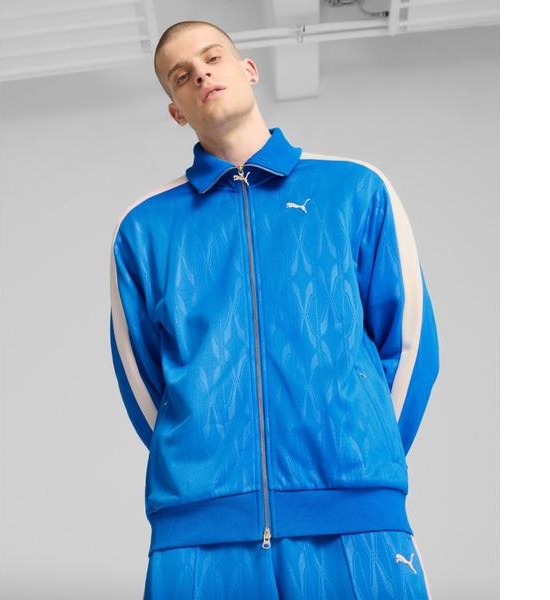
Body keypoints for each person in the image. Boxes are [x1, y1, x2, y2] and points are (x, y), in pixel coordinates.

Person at [109, 19, 439, 599]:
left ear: (249, 69)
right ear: (176, 111)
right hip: (200, 534)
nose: (201, 74)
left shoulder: (355, 189)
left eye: (212, 57)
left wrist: (357, 451)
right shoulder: (144, 228)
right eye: (181, 75)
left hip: (354, 518)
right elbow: (142, 380)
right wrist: (206, 463)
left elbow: (409, 342)